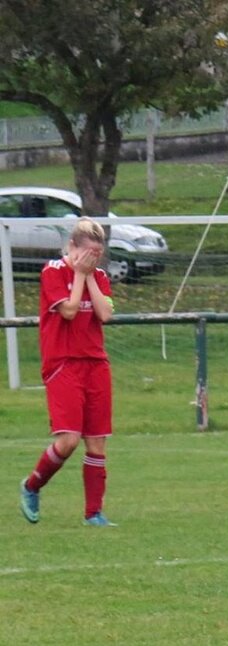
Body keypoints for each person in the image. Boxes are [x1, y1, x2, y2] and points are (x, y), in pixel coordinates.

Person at [20, 217, 117, 526]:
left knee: (96, 441)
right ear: (73, 247)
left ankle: (94, 513)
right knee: (68, 441)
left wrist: (87, 275)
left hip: (95, 363)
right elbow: (70, 311)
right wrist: (78, 274)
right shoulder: (52, 271)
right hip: (63, 362)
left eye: (97, 255)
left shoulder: (98, 275)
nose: (93, 259)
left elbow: (104, 313)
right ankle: (32, 485)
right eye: (88, 253)